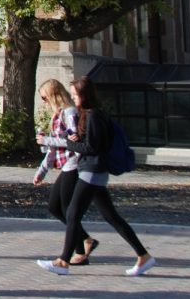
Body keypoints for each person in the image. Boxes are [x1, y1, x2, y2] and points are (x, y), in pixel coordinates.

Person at [35, 76, 155, 277]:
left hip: (92, 170)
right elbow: (91, 142)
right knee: (112, 217)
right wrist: (75, 139)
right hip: (91, 170)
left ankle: (63, 261)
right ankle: (144, 256)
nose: (72, 98)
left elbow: (93, 147)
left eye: (75, 94)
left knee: (72, 214)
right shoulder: (88, 115)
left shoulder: (94, 116)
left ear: (84, 94)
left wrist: (71, 142)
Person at [33, 79, 96, 264]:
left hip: (74, 164)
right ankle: (85, 241)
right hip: (66, 165)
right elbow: (53, 149)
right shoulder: (57, 115)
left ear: (53, 95)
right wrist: (41, 171)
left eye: (44, 98)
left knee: (68, 209)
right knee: (56, 207)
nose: (43, 102)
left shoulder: (69, 113)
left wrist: (47, 141)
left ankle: (79, 251)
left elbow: (72, 141)